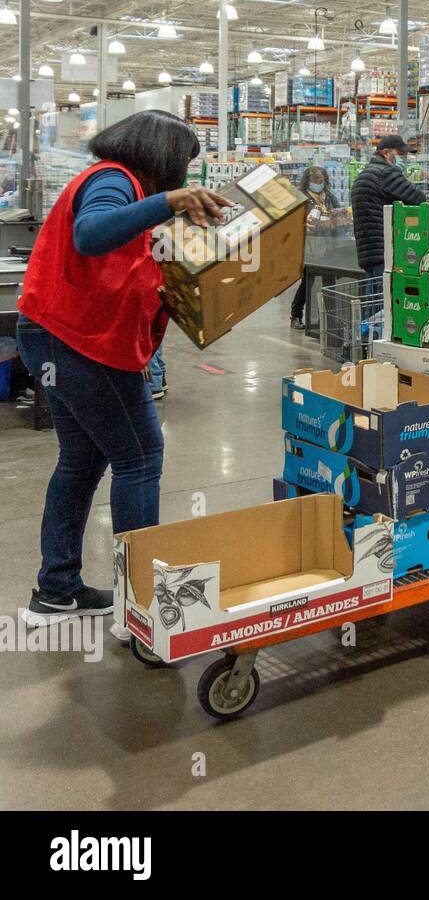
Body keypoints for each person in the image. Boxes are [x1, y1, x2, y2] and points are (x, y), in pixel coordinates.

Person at [15, 109, 234, 627]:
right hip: (76, 342)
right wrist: (167, 201)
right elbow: (91, 235)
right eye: (183, 161)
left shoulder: (126, 189)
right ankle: (143, 604)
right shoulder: (114, 180)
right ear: (163, 156)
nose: (185, 171)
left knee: (81, 461)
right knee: (140, 455)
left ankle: (56, 592)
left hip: (57, 338)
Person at [350, 134, 429, 286]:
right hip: (384, 252)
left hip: (370, 252)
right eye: (400, 154)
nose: (404, 158)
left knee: (374, 304)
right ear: (386, 153)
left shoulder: (366, 174)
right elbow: (418, 198)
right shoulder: (385, 173)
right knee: (385, 304)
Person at [290, 165, 340, 331]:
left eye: (321, 180)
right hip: (309, 247)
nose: (318, 183)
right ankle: (296, 315)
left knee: (329, 283)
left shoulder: (330, 198)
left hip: (329, 246)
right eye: (315, 181)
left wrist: (337, 221)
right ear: (308, 182)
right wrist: (312, 225)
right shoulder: (302, 198)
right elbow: (296, 222)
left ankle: (328, 318)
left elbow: (339, 216)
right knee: (308, 281)